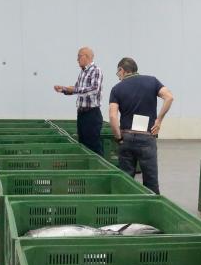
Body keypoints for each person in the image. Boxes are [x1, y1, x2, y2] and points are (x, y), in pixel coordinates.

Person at [108, 57, 174, 194]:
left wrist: (118, 138)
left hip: (126, 137)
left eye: (118, 73)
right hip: (147, 138)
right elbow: (169, 97)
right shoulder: (152, 81)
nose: (118, 77)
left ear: (122, 70)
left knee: (126, 181)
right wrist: (159, 120)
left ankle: (125, 210)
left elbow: (113, 117)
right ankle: (151, 211)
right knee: (151, 181)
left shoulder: (116, 89)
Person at [54, 47, 104, 155]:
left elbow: (95, 89)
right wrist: (64, 89)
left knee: (93, 145)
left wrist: (74, 89)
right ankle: (88, 170)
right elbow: (77, 89)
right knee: (83, 144)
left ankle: (97, 170)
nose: (77, 59)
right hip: (82, 114)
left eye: (79, 56)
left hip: (92, 114)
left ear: (86, 56)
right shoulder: (83, 72)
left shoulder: (96, 70)